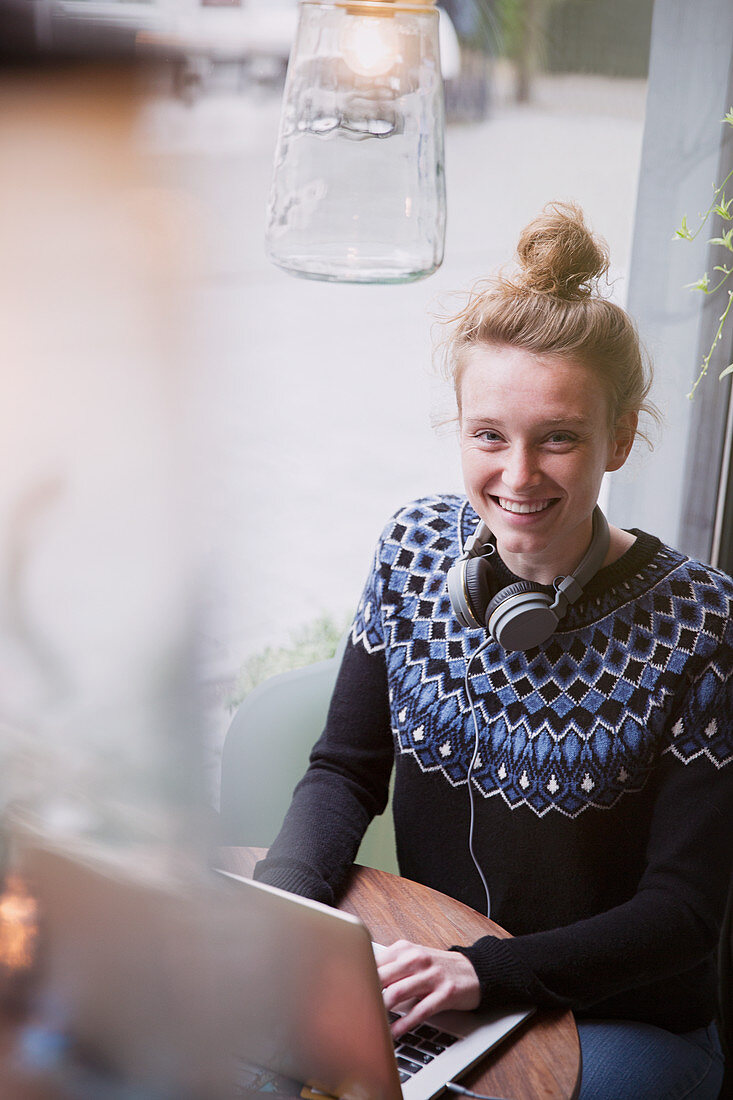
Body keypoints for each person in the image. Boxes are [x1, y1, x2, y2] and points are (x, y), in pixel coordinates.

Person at [254, 202, 732, 1099]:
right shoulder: (410, 551)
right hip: (443, 984)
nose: (517, 477)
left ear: (618, 438)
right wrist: (280, 912)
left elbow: (683, 917)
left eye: (558, 437)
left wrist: (484, 974)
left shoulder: (704, 628)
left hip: (619, 1018)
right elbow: (343, 771)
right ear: (461, 430)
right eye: (488, 436)